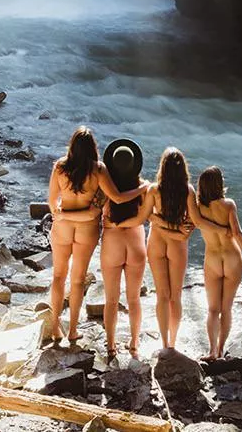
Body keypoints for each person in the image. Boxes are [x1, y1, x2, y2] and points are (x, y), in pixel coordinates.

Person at [47, 126, 145, 346]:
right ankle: (72, 330)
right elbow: (117, 198)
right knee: (78, 279)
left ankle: (55, 326)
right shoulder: (98, 170)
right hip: (86, 229)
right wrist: (143, 189)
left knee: (58, 276)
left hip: (62, 228)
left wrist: (63, 215)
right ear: (92, 148)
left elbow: (53, 204)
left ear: (72, 146)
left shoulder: (60, 167)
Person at [143, 146, 214, 352]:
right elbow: (192, 224)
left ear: (162, 168)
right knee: (175, 296)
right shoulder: (188, 191)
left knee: (161, 296)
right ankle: (173, 341)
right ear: (183, 169)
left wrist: (160, 224)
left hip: (156, 241)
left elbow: (148, 216)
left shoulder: (154, 190)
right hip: (177, 246)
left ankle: (164, 343)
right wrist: (176, 229)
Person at [193, 165, 242, 360]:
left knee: (213, 309)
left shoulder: (198, 208)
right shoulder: (229, 205)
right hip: (232, 257)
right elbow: (238, 233)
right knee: (226, 308)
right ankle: (221, 350)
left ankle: (212, 351)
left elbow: (193, 224)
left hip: (212, 259)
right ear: (219, 184)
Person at [99, 138, 150, 361]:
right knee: (134, 299)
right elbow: (147, 217)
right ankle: (134, 342)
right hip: (136, 242)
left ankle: (111, 346)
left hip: (112, 243)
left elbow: (96, 213)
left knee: (111, 299)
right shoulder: (144, 187)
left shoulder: (105, 188)